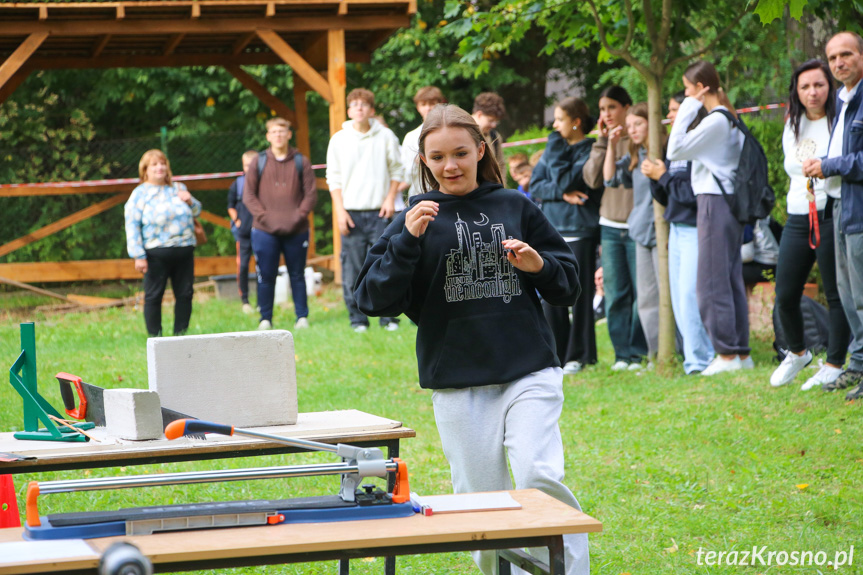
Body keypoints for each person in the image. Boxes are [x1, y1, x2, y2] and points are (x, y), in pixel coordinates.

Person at [354, 104, 589, 575]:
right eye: (438, 157)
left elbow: (569, 285)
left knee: (538, 475)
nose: (451, 165)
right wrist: (407, 242)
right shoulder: (411, 219)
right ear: (424, 160)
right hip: (458, 383)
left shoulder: (515, 206)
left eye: (461, 153)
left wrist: (537, 266)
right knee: (480, 503)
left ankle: (567, 570)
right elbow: (371, 298)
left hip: (529, 372)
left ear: (481, 151)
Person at [667, 60, 751, 376]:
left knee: (710, 283)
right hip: (723, 204)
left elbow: (675, 149)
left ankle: (727, 355)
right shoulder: (728, 118)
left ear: (701, 88)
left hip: (714, 204)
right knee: (728, 278)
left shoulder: (717, 121)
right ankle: (740, 353)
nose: (686, 95)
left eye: (688, 89)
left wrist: (689, 108)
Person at [803, 31, 863, 400]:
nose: (839, 63)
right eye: (833, 57)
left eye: (847, 54)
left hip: (860, 210)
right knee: (846, 293)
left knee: (862, 295)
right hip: (840, 208)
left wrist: (830, 165)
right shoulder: (843, 99)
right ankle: (857, 366)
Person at [643, 92, 714, 374]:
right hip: (676, 230)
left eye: (675, 110)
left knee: (689, 297)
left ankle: (702, 359)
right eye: (670, 110)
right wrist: (655, 179)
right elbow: (668, 196)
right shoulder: (674, 148)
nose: (670, 116)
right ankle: (693, 358)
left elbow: (693, 195)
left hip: (697, 229)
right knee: (678, 298)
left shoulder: (700, 147)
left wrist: (663, 177)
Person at [530, 96, 601, 374]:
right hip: (553, 231)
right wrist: (562, 194)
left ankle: (580, 355)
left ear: (576, 122)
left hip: (581, 230)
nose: (555, 125)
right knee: (551, 293)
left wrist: (561, 185)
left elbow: (567, 179)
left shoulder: (590, 149)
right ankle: (556, 352)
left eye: (560, 120)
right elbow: (537, 184)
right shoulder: (555, 146)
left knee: (580, 294)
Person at [326, 88, 405, 332]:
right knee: (352, 268)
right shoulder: (339, 139)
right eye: (354, 105)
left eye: (364, 104)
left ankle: (388, 317)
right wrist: (340, 211)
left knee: (385, 265)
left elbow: (397, 171)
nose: (359, 108)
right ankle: (357, 319)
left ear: (371, 110)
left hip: (381, 212)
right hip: (350, 212)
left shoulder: (386, 136)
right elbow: (334, 178)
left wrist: (390, 198)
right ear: (349, 111)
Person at [583, 85, 648, 370]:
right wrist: (601, 141)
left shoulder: (639, 135)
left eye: (611, 107)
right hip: (609, 226)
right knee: (616, 292)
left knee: (640, 293)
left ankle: (639, 351)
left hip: (638, 226)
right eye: (602, 109)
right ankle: (622, 354)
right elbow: (592, 179)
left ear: (626, 107)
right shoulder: (604, 140)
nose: (606, 114)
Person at [243, 117, 317, 331]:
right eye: (274, 132)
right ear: (268, 136)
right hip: (264, 230)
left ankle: (302, 317)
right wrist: (265, 217)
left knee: (297, 274)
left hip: (297, 229)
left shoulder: (301, 161)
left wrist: (298, 217)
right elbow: (248, 195)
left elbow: (310, 195)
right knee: (265, 275)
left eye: (282, 131)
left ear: (289, 134)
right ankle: (265, 318)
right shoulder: (258, 161)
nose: (278, 135)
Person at [604, 102, 663, 363]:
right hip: (640, 230)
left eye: (638, 123)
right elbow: (609, 178)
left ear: (652, 121)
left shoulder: (666, 152)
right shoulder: (635, 155)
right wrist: (609, 144)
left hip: (664, 230)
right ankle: (656, 354)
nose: (633, 130)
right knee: (647, 299)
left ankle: (676, 350)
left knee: (665, 294)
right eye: (629, 126)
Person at [125, 149, 201, 337]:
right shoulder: (140, 194)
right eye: (154, 164)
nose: (160, 167)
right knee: (153, 296)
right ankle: (155, 338)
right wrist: (138, 255)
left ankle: (180, 335)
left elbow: (198, 210)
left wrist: (190, 200)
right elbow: (132, 224)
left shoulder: (178, 188)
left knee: (185, 294)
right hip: (155, 254)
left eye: (162, 163)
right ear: (145, 170)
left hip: (184, 250)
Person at [227, 149, 259, 315]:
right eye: (247, 165)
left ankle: (262, 301)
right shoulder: (238, 184)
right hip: (243, 233)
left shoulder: (264, 182)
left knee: (263, 267)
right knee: (243, 266)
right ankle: (245, 300)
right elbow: (230, 205)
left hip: (262, 232)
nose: (250, 168)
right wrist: (237, 221)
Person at [401, 86, 446, 198]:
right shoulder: (411, 137)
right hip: (419, 195)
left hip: (446, 195)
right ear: (418, 107)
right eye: (423, 105)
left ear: (440, 104)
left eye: (432, 104)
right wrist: (417, 163)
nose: (428, 108)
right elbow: (406, 175)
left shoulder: (450, 133)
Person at [471, 92, 507, 174]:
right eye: (490, 121)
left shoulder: (495, 136)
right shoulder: (461, 133)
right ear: (479, 114)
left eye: (496, 122)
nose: (494, 125)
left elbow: (500, 165)